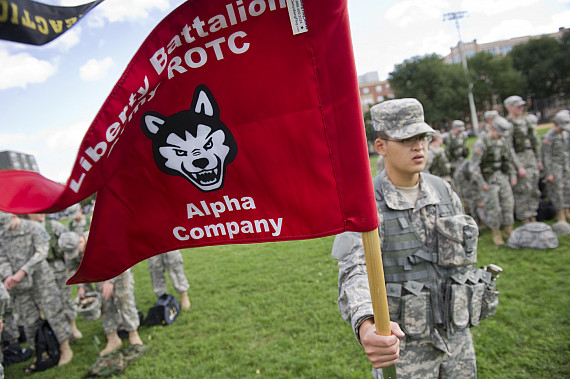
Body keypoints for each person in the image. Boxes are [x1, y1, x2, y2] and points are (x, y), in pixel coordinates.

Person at [332, 98, 495, 378]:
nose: (418, 146)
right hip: (405, 348)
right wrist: (366, 324)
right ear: (380, 146)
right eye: (407, 138)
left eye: (422, 137)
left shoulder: (442, 190)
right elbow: (354, 272)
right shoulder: (365, 205)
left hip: (456, 338)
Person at [0, 212, 73, 369]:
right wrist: (7, 275)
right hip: (19, 287)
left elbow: (42, 251)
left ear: (13, 216)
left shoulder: (34, 228)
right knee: (29, 320)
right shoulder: (3, 234)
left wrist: (23, 270)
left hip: (41, 281)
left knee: (53, 312)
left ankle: (65, 348)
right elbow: (2, 257)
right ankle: (40, 352)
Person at [57, 231, 143, 356]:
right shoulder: (71, 249)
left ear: (81, 240)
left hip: (119, 268)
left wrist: (110, 280)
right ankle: (113, 339)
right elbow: (73, 267)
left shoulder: (100, 237)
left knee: (124, 300)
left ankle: (133, 334)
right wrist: (81, 286)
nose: (76, 253)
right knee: (104, 303)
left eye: (77, 249)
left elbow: (119, 256)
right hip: (99, 273)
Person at [27, 213, 83, 339]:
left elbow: (69, 243)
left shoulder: (53, 226)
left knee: (66, 298)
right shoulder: (28, 229)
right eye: (37, 211)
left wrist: (67, 263)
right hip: (40, 271)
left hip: (58, 268)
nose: (41, 213)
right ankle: (60, 333)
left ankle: (72, 327)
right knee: (49, 303)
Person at [469, 116, 516, 245]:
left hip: (502, 176)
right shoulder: (482, 143)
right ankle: (496, 234)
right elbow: (473, 166)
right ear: (492, 128)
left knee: (508, 205)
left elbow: (508, 160)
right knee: (493, 208)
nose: (501, 136)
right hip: (489, 180)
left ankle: (509, 231)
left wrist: (512, 175)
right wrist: (481, 183)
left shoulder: (503, 142)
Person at [504, 95, 542, 223]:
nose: (521, 108)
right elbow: (509, 149)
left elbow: (534, 142)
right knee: (522, 189)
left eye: (522, 105)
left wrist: (538, 159)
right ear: (509, 107)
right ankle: (525, 217)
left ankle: (533, 214)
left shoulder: (525, 121)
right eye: (517, 105)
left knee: (533, 188)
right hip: (520, 159)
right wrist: (518, 166)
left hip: (530, 157)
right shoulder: (508, 125)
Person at [541, 109, 570, 223]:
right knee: (558, 192)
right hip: (555, 168)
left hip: (565, 166)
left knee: (567, 189)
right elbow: (546, 157)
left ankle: (567, 211)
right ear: (555, 124)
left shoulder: (566, 134)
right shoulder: (549, 138)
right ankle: (560, 215)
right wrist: (548, 173)